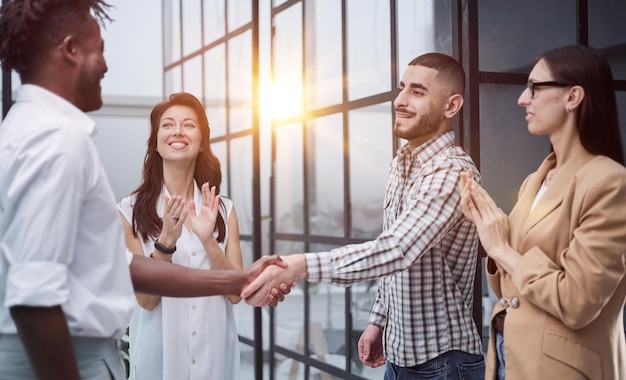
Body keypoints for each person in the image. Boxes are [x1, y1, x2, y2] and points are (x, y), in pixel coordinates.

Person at [0, 1, 286, 379]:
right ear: (70, 50)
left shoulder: (29, 129)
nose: (105, 65)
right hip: (68, 355)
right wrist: (169, 241)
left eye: (189, 126)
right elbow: (34, 297)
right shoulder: (59, 140)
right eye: (99, 49)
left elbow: (123, 267)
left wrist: (239, 278)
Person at [242, 53, 486, 379]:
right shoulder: (403, 163)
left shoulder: (451, 171)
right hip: (401, 357)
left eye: (417, 91)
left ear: (451, 106)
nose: (400, 100)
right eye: (401, 88)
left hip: (442, 362)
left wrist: (299, 265)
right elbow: (393, 254)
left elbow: (396, 250)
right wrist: (378, 321)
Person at [459, 45, 626, 380]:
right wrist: (488, 225)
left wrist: (501, 248)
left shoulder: (610, 182)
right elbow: (510, 289)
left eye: (535, 87)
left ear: (573, 96)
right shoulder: (534, 181)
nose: (523, 99)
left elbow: (577, 300)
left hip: (562, 369)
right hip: (510, 356)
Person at [118, 92, 244, 379]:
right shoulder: (128, 211)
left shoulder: (224, 209)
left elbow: (236, 294)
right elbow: (146, 301)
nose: (178, 131)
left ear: (201, 142)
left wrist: (208, 240)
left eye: (189, 125)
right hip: (158, 364)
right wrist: (165, 244)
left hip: (215, 360)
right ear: (156, 143)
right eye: (168, 125)